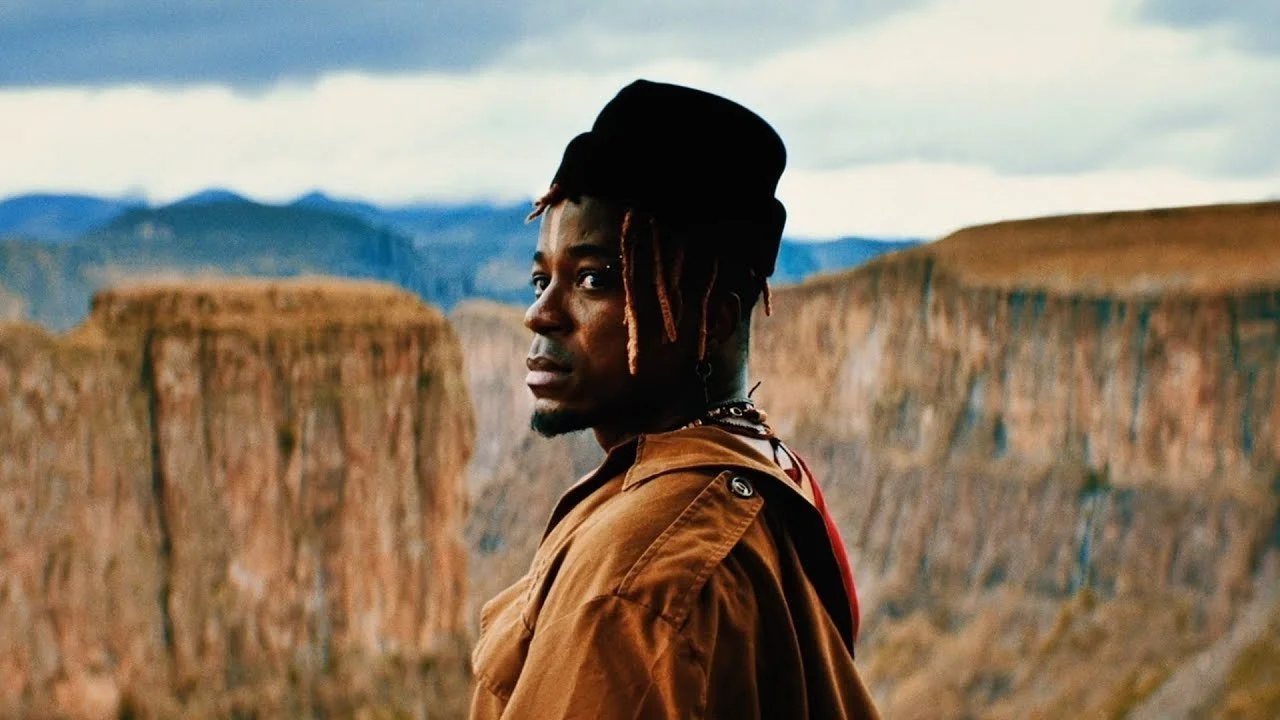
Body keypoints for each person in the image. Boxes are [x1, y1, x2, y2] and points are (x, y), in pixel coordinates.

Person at [469, 79, 879, 719]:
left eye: (595, 278)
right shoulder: (766, 468)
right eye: (540, 278)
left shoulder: (632, 589)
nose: (539, 314)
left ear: (711, 316)